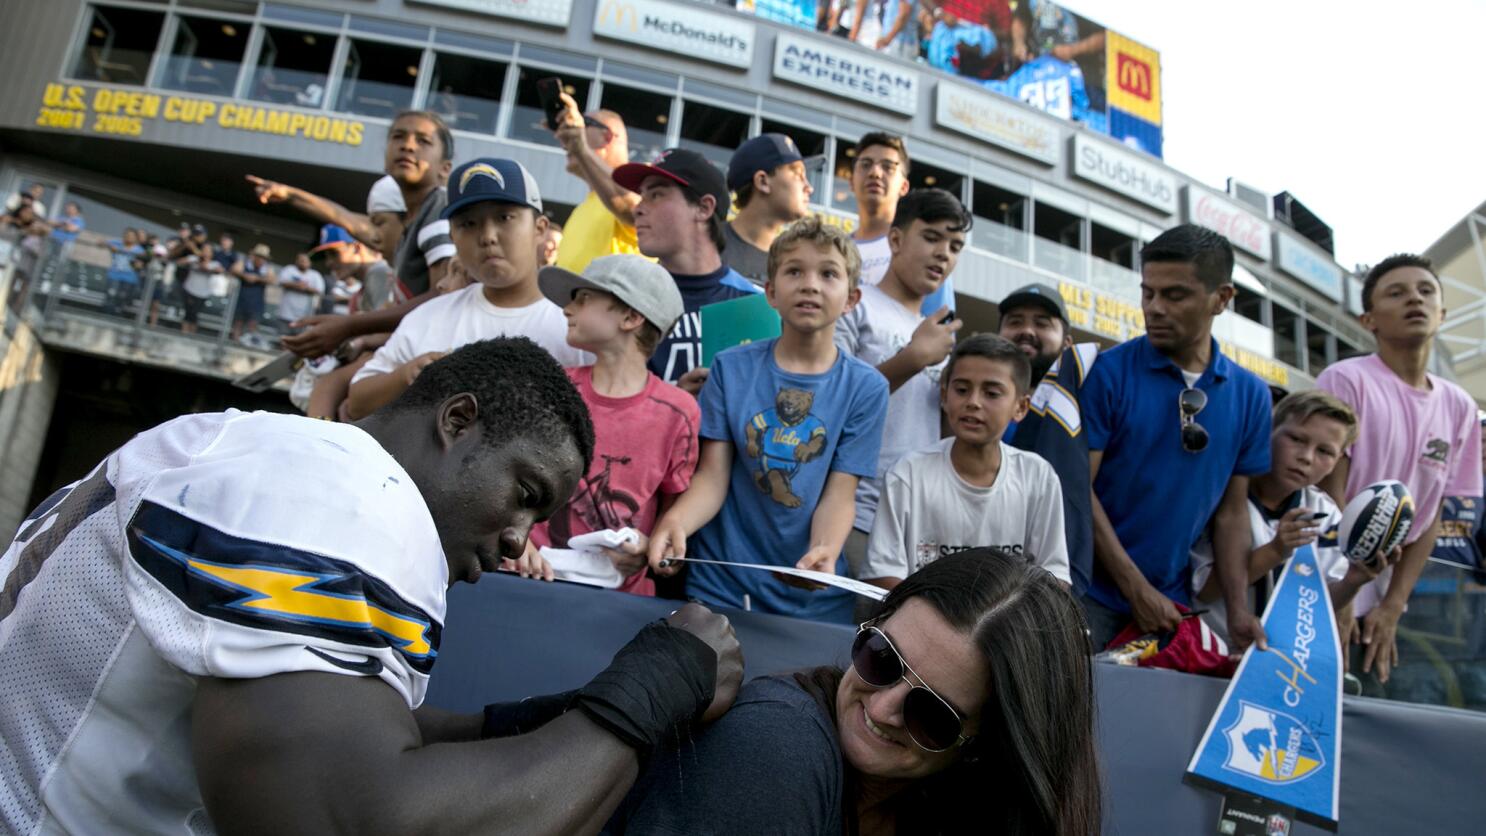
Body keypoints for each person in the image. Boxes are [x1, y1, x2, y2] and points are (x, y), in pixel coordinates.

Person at [0, 337, 743, 834]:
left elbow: (335, 722)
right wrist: (650, 693)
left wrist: (534, 722)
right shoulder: (350, 497)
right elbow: (348, 819)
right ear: (458, 421)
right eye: (524, 491)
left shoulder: (258, 444)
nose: (522, 539)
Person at [608, 550, 1101, 836]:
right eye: (881, 657)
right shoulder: (775, 748)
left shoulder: (944, 807)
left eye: (931, 714)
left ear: (983, 746)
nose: (882, 708)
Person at [648, 217, 889, 624]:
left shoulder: (867, 388)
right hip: (721, 581)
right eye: (795, 271)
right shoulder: (730, 367)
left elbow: (840, 493)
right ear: (771, 293)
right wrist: (674, 522)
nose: (810, 283)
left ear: (851, 298)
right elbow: (712, 477)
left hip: (815, 599)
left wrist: (824, 551)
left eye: (828, 273)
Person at [1081, 224, 1273, 652]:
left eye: (1175, 295)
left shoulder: (1252, 395)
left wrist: (1238, 611)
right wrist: (1135, 589)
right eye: (1148, 292)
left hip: (1172, 605)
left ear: (1222, 299)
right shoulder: (1107, 373)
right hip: (1086, 598)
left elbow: (1231, 514)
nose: (1154, 308)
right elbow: (1077, 491)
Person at [1316, 254, 1483, 686]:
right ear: (1368, 319)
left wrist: (1393, 605)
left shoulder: (1460, 405)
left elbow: (1433, 513)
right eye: (1397, 292)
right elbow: (1329, 493)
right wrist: (1344, 590)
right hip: (1327, 583)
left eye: (1426, 291)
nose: (1415, 299)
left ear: (1442, 314)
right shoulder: (1346, 380)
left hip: (1394, 602)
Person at [347, 158, 590, 419]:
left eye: (505, 217)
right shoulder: (429, 317)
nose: (487, 236)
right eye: (468, 224)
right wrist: (411, 375)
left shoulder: (577, 323)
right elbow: (358, 402)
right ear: (453, 236)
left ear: (539, 228)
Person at [522, 254, 698, 596]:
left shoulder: (678, 411)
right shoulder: (553, 388)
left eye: (583, 298)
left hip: (622, 602)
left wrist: (651, 546)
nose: (567, 309)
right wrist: (517, 543)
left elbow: (674, 504)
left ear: (631, 317)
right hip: (533, 584)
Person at [834, 189, 968, 587]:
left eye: (955, 245)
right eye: (931, 238)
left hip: (918, 529)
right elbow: (833, 404)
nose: (944, 253)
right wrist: (912, 359)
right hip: (851, 516)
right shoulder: (854, 305)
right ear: (895, 239)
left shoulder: (941, 338)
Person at [865, 334, 1071, 591]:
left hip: (1004, 627)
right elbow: (883, 574)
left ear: (1021, 407)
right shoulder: (907, 474)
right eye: (961, 390)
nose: (973, 402)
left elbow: (1055, 578)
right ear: (944, 395)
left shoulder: (1038, 476)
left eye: (991, 393)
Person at [1190, 390, 1397, 643]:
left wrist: (1354, 580)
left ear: (1337, 461)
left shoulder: (1326, 513)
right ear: (1269, 433)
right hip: (1208, 654)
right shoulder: (1223, 496)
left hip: (1276, 663)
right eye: (1297, 439)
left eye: (1325, 451)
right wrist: (1275, 551)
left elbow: (1316, 608)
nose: (1306, 457)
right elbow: (1204, 591)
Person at [248, 111, 456, 358]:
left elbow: (441, 298)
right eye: (398, 136)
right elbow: (343, 217)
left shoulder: (437, 209)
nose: (408, 146)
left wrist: (349, 327)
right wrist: (290, 194)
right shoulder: (408, 228)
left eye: (423, 141)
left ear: (445, 169)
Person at [612, 148, 760, 394]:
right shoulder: (621, 300)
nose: (638, 208)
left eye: (656, 194)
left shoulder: (753, 305)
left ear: (704, 208)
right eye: (641, 195)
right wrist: (673, 407)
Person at [1002, 283, 1098, 598]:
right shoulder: (969, 405)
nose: (1026, 330)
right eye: (1015, 321)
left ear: (1067, 342)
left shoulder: (1083, 410)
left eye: (1042, 323)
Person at [848, 133, 955, 317]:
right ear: (851, 181)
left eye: (888, 167)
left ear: (904, 186)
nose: (875, 173)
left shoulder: (922, 251)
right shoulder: (836, 248)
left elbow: (939, 331)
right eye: (865, 164)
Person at [552, 96, 644, 273]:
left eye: (583, 125)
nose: (568, 143)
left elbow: (635, 210)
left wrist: (581, 149)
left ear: (607, 136)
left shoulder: (641, 184)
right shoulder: (583, 207)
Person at [723, 133, 815, 287]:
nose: (809, 188)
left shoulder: (795, 263)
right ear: (763, 181)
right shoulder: (706, 243)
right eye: (798, 175)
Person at [175, 224, 215, 335]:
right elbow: (178, 261)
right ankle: (184, 333)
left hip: (202, 293)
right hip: (189, 289)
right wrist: (195, 256)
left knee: (194, 315)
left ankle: (191, 334)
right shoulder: (193, 257)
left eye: (208, 250)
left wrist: (198, 255)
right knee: (188, 313)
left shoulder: (214, 263)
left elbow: (216, 269)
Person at [276, 251, 325, 331]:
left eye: (306, 261)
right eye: (301, 260)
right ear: (296, 261)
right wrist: (296, 285)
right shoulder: (289, 269)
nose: (303, 263)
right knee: (282, 338)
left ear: (310, 263)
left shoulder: (315, 275)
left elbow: (320, 290)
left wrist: (305, 288)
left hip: (304, 316)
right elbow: (281, 282)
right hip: (285, 313)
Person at [103, 227, 145, 316]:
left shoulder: (139, 250)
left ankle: (117, 315)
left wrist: (137, 264)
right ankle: (106, 315)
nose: (129, 237)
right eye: (127, 235)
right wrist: (111, 247)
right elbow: (101, 242)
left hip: (129, 277)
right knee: (111, 294)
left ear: (135, 238)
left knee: (122, 297)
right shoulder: (117, 243)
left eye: (131, 236)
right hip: (114, 275)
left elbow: (140, 264)